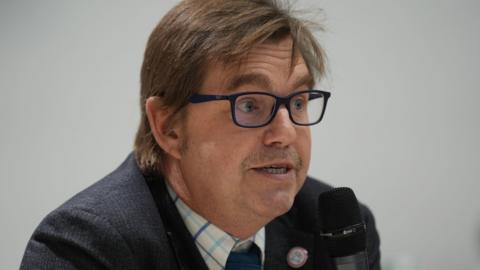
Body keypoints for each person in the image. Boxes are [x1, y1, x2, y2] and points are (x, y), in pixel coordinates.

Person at [20, 0, 380, 269]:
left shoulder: (338, 229)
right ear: (168, 127)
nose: (285, 133)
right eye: (250, 105)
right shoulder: (85, 248)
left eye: (298, 102)